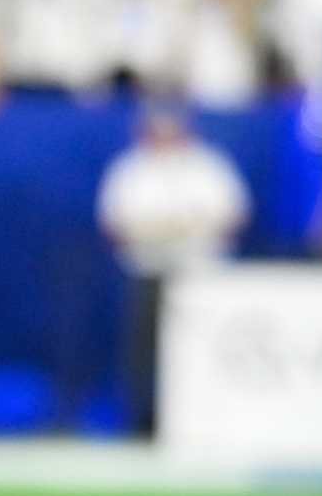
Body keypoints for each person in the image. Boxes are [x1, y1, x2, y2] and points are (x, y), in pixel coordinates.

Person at [97, 104, 249, 436]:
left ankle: (204, 420)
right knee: (143, 352)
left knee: (199, 351)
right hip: (147, 269)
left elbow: (233, 215)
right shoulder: (132, 168)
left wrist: (184, 227)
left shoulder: (208, 166)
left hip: (198, 275)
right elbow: (113, 221)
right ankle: (142, 421)